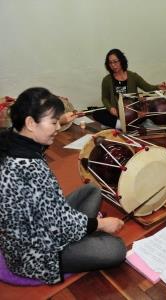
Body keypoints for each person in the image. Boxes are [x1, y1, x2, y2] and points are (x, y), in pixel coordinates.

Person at [0, 87, 126, 284]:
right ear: (31, 123)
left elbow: (48, 212)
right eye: (53, 122)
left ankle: (81, 234)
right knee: (116, 249)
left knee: (92, 190)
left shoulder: (11, 141)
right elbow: (56, 223)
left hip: (36, 227)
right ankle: (82, 237)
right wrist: (101, 225)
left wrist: (60, 120)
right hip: (37, 253)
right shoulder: (28, 166)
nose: (57, 127)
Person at [93, 48, 166, 128]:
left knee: (147, 111)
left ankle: (119, 125)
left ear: (121, 61)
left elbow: (148, 88)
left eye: (115, 62)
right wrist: (110, 108)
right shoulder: (107, 80)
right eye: (110, 63)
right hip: (117, 112)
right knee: (96, 114)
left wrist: (158, 87)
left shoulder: (133, 76)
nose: (113, 65)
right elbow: (104, 98)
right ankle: (125, 124)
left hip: (133, 112)